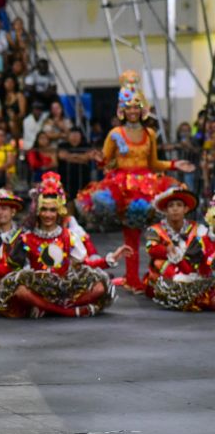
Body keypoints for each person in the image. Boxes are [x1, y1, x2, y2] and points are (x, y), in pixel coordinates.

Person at [76, 71, 196, 292]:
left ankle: (152, 273)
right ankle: (132, 279)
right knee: (131, 235)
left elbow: (153, 163)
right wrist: (99, 160)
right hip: (123, 188)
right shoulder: (115, 133)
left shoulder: (150, 133)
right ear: (122, 109)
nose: (133, 111)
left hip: (147, 185)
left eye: (136, 106)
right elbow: (107, 163)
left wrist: (174, 165)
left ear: (143, 109)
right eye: (128, 107)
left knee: (153, 233)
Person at [0, 173, 129, 318]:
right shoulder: (26, 239)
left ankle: (48, 308)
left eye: (52, 210)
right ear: (38, 212)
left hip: (65, 288)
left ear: (58, 211)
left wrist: (111, 258)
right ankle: (67, 311)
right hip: (38, 289)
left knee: (99, 287)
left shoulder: (69, 236)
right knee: (21, 291)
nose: (48, 215)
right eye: (44, 210)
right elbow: (9, 270)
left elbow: (86, 264)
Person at [143, 187, 214, 311]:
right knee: (158, 262)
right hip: (167, 273)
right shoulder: (155, 229)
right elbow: (152, 249)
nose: (175, 209)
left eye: (179, 205)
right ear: (165, 210)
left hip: (193, 270)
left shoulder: (197, 228)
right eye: (171, 206)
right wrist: (168, 250)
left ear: (186, 209)